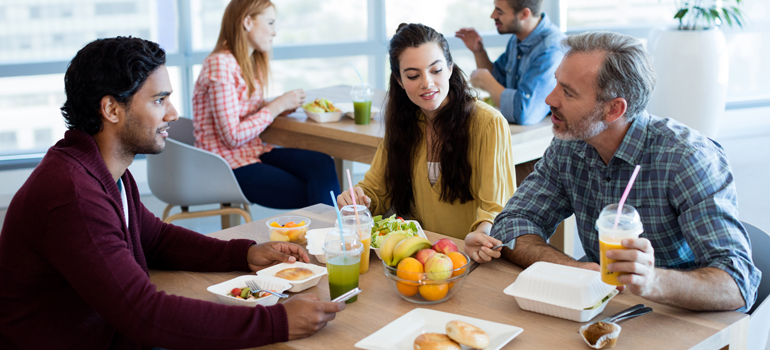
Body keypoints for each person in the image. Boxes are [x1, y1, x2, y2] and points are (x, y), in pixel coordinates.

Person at [0, 36, 344, 349]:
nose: (173, 114)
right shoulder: (72, 195)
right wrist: (278, 321)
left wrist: (246, 255)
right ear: (111, 109)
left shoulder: (103, 172)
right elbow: (145, 315)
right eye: (159, 100)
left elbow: (157, 240)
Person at [479, 31, 761, 312]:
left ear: (614, 109)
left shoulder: (688, 159)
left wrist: (653, 281)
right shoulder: (570, 144)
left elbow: (737, 284)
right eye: (556, 83)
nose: (549, 99)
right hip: (608, 309)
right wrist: (569, 268)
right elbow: (513, 223)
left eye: (568, 92)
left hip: (680, 316)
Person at [337, 23, 517, 250]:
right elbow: (376, 192)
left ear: (450, 68)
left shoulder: (489, 123)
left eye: (436, 70)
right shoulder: (404, 123)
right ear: (400, 81)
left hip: (471, 257)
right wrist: (356, 200)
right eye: (413, 75)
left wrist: (481, 234)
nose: (427, 83)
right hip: (418, 257)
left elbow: (496, 209)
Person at [192, 0, 340, 209]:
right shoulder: (220, 64)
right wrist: (276, 106)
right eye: (270, 23)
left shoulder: (249, 63)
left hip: (253, 152)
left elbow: (241, 107)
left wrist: (277, 106)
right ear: (247, 22)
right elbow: (232, 136)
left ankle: (330, 234)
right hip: (227, 166)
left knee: (322, 163)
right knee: (314, 191)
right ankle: (332, 236)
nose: (274, 32)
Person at [455, 0, 565, 126]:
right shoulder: (516, 39)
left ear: (524, 14)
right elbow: (499, 80)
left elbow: (524, 113)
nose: (493, 15)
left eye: (499, 11)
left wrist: (487, 82)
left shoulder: (551, 50)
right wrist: (478, 51)